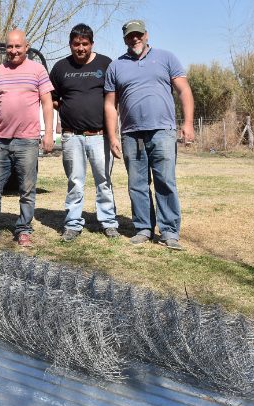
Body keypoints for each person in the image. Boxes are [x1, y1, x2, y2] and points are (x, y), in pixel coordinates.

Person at [104, 19, 195, 250]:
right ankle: (143, 228)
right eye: (129, 36)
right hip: (131, 134)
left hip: (162, 131)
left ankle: (170, 232)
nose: (135, 38)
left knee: (165, 181)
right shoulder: (116, 66)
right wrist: (113, 136)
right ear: (124, 39)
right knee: (137, 184)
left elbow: (184, 90)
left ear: (146, 35)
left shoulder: (166, 58)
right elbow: (110, 104)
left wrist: (188, 123)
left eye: (138, 34)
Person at [0, 29, 54, 247]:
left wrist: (48, 133)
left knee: (27, 189)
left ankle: (23, 230)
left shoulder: (38, 71)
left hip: (28, 141)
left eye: (18, 46)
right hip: (0, 140)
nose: (13, 50)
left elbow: (47, 103)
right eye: (9, 46)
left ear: (26, 47)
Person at [50, 24, 119, 242]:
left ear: (92, 44)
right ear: (70, 44)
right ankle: (72, 223)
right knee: (75, 182)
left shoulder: (106, 64)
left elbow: (114, 98)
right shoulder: (60, 67)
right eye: (76, 44)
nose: (80, 48)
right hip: (72, 137)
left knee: (104, 181)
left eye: (85, 44)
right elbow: (52, 98)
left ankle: (109, 223)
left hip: (99, 136)